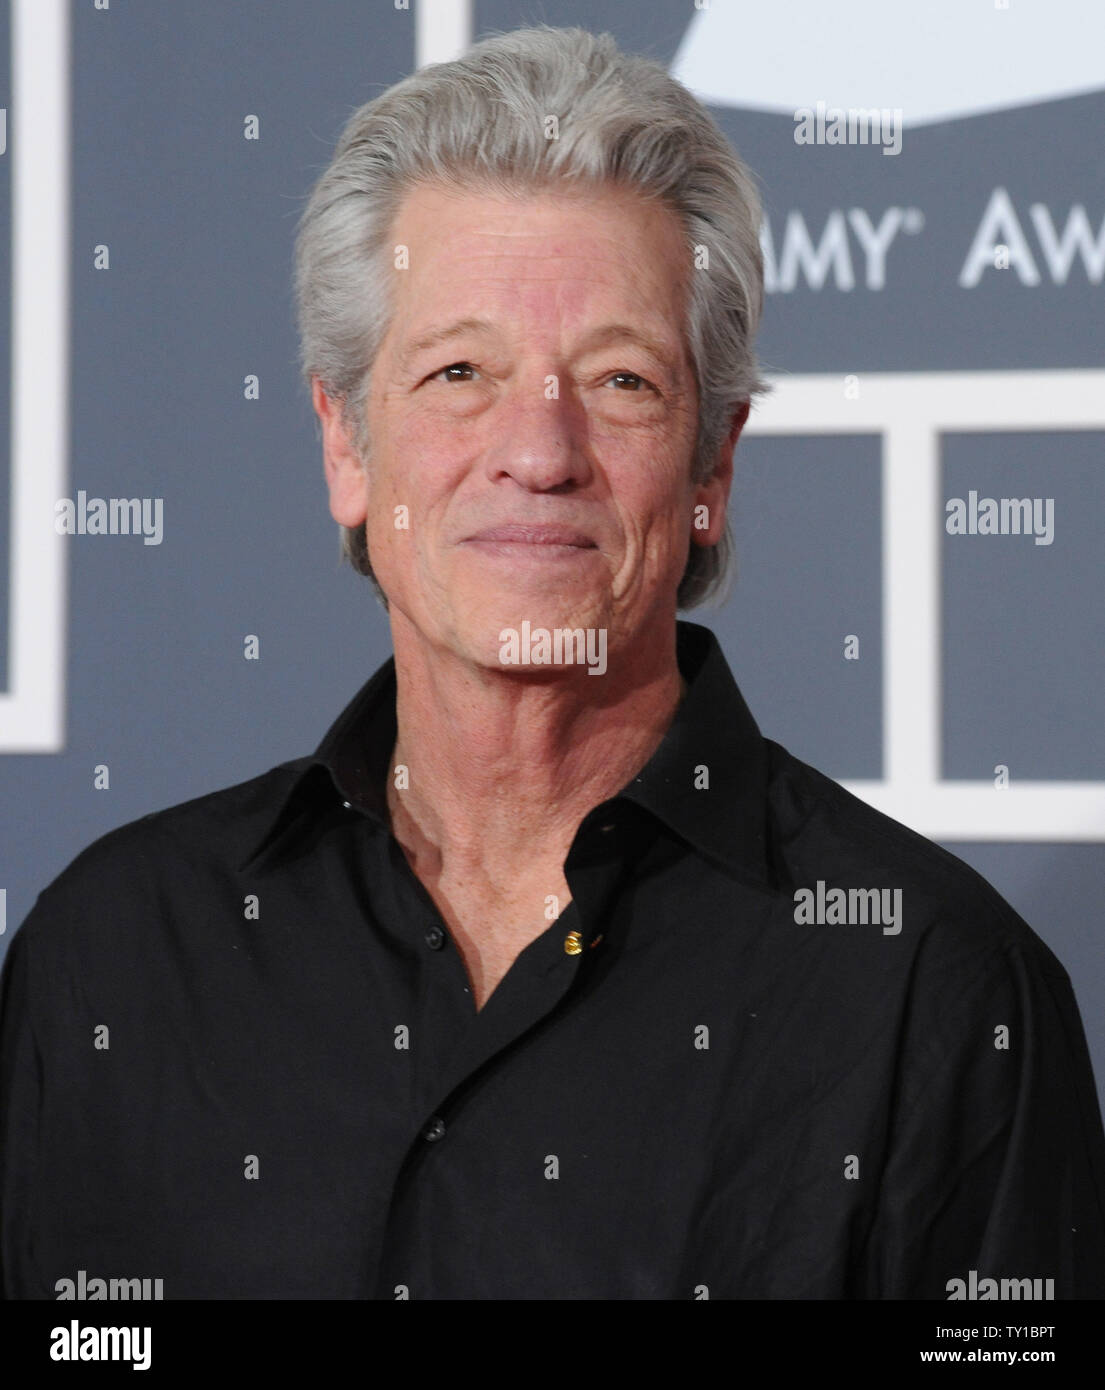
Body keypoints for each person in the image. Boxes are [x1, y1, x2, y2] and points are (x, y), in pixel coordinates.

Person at [2, 24, 1103, 1301]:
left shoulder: (941, 995)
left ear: (712, 468)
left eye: (622, 379)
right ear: (346, 448)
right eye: (459, 370)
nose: (539, 450)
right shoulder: (116, 956)